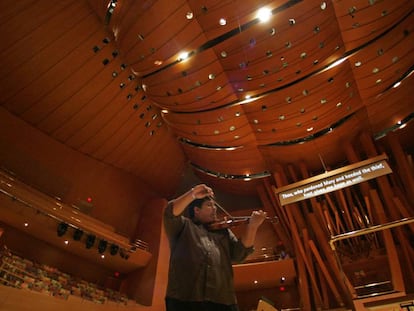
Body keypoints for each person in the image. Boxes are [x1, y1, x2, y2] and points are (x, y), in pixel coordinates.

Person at [163, 184, 267, 311]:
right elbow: (169, 213)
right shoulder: (183, 227)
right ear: (196, 210)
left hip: (222, 301)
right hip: (185, 300)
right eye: (209, 205)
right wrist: (193, 194)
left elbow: (239, 255)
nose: (214, 209)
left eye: (214, 206)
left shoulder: (223, 232)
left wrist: (253, 226)